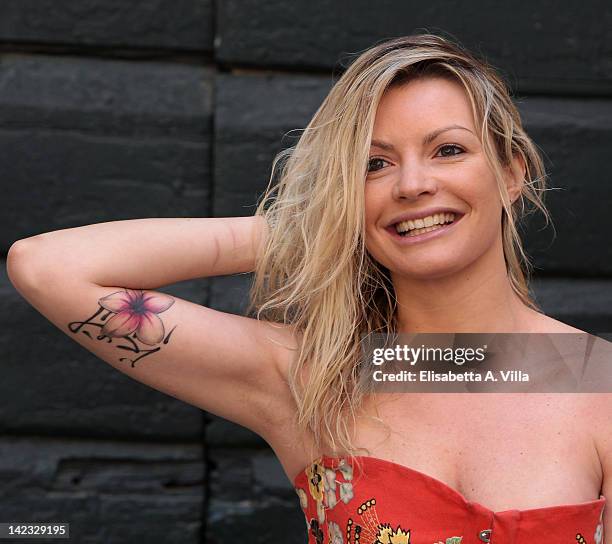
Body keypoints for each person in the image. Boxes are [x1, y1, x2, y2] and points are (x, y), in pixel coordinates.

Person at [7, 33, 610, 543]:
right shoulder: (313, 377)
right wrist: (312, 228)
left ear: (511, 175)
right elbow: (46, 267)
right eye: (374, 164)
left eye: (447, 150)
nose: (412, 184)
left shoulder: (596, 380)